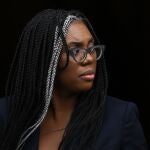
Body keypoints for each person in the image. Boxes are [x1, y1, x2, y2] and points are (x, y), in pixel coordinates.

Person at [0, 9, 148, 150]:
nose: (90, 58)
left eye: (91, 47)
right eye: (76, 50)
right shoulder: (6, 114)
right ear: (47, 58)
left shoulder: (120, 117)